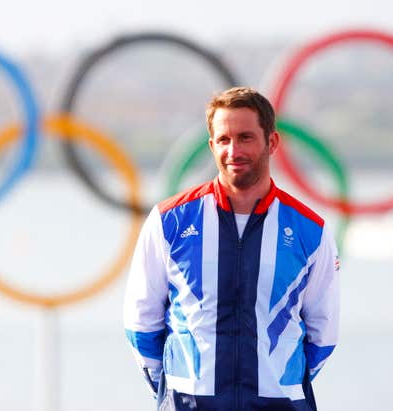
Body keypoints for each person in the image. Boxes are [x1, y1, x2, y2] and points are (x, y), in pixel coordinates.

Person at [124, 87, 340, 411]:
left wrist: (277, 383)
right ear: (212, 146)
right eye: (223, 140)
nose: (233, 150)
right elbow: (141, 323)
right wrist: (176, 389)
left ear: (272, 142)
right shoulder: (169, 222)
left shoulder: (312, 232)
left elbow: (323, 335)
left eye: (245, 137)